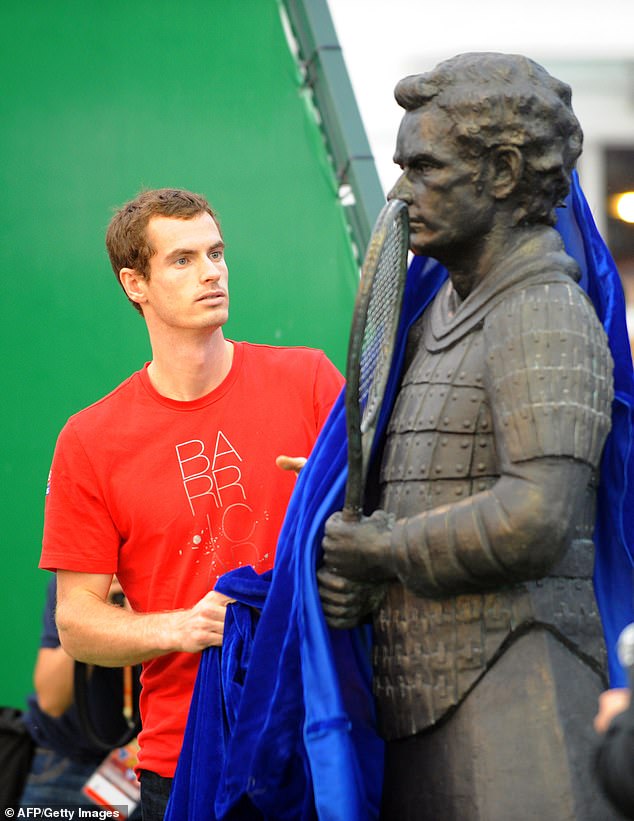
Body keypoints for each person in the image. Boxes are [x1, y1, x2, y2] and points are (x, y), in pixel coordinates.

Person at [318, 53, 618, 819]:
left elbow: (535, 518)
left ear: (504, 171)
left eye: (423, 168)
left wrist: (384, 550)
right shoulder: (436, 317)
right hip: (431, 705)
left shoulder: (541, 311)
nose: (399, 193)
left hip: (521, 703)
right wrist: (364, 578)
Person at [39, 188, 344, 820]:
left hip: (319, 732)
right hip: (182, 762)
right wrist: (182, 626)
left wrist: (339, 495)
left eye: (216, 252)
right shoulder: (91, 441)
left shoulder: (310, 381)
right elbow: (76, 622)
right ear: (136, 284)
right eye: (182, 259)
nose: (211, 271)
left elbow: (383, 528)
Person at [19, 575, 141, 816]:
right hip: (65, 759)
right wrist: (91, 619)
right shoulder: (79, 578)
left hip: (151, 767)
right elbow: (51, 701)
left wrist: (141, 622)